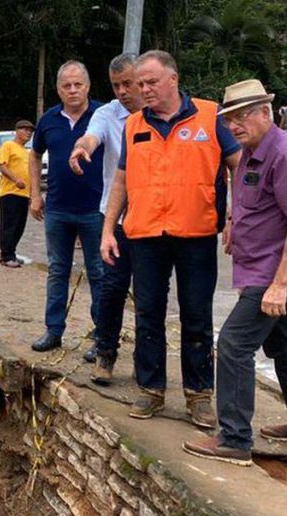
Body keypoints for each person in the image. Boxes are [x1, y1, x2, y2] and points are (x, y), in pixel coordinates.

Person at [101, 50, 241, 426]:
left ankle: (198, 396)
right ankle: (151, 391)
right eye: (139, 84)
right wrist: (107, 230)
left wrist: (237, 214)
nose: (143, 90)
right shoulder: (133, 125)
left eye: (151, 83)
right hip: (145, 234)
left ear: (173, 79)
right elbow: (121, 180)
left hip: (195, 234)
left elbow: (239, 166)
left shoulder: (211, 117)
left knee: (196, 315)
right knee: (148, 315)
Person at [183, 80, 287, 465]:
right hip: (257, 267)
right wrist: (234, 223)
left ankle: (234, 438)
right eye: (229, 119)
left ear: (266, 113)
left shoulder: (281, 153)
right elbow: (253, 203)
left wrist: (280, 284)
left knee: (232, 345)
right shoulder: (249, 153)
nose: (236, 124)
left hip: (271, 275)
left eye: (243, 115)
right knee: (284, 348)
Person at [69, 53, 144, 377]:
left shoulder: (159, 115)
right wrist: (81, 146)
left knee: (150, 293)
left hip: (154, 219)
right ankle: (105, 352)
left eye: (128, 83)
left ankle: (147, 359)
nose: (123, 91)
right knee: (112, 287)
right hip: (114, 217)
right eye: (116, 85)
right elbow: (93, 134)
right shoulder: (106, 114)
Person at [30, 61, 105, 352]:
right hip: (58, 209)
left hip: (96, 211)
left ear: (87, 86)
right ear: (58, 89)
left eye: (78, 84)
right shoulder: (49, 119)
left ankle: (102, 336)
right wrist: (35, 195)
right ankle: (53, 331)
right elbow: (34, 156)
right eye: (66, 85)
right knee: (58, 270)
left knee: (99, 273)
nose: (73, 90)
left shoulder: (103, 115)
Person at [0, 119, 35, 268]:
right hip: (10, 192)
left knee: (19, 226)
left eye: (30, 131)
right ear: (17, 131)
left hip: (24, 194)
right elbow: (2, 166)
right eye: (25, 129)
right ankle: (6, 255)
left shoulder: (26, 152)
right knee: (9, 224)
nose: (28, 133)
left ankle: (11, 252)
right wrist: (15, 179)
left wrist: (32, 194)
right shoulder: (8, 146)